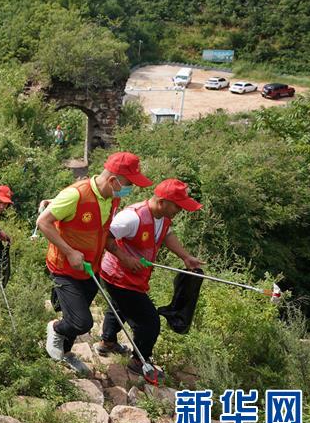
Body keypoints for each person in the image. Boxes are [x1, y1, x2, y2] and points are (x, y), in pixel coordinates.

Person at [36, 152, 152, 375]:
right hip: (65, 268)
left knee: (75, 317)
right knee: (81, 322)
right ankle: (55, 328)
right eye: (128, 184)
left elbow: (102, 233)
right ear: (112, 180)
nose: (130, 189)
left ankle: (64, 354)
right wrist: (70, 252)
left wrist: (123, 256)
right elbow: (44, 222)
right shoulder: (76, 195)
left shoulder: (112, 198)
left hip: (91, 267)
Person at [95, 178, 204, 380]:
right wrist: (125, 258)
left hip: (134, 276)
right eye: (177, 206)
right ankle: (139, 361)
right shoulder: (132, 217)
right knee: (149, 322)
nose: (180, 210)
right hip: (118, 275)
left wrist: (185, 257)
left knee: (118, 307)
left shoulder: (162, 217)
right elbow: (105, 236)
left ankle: (107, 343)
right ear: (162, 201)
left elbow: (167, 234)